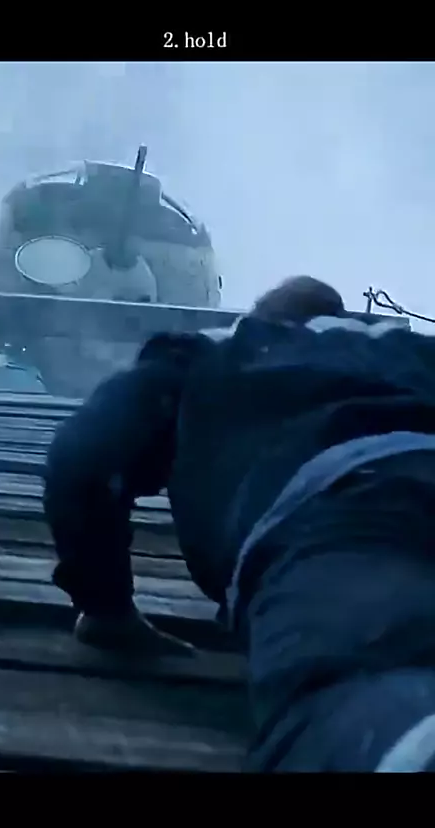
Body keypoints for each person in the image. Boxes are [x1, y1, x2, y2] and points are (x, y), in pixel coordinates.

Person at [44, 275, 435, 772]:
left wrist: (105, 605)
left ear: (258, 315)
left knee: (360, 700)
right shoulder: (411, 350)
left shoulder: (211, 352)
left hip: (348, 511)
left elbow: (84, 455)